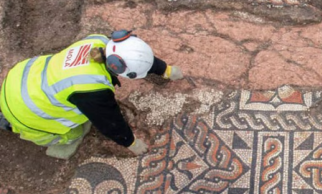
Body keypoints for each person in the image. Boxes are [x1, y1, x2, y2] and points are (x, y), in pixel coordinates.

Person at [0, 30, 184, 159]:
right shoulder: (91, 90)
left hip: (22, 76)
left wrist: (165, 70)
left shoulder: (100, 41)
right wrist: (131, 142)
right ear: (117, 69)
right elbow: (110, 123)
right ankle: (10, 124)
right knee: (74, 132)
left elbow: (135, 57)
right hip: (25, 109)